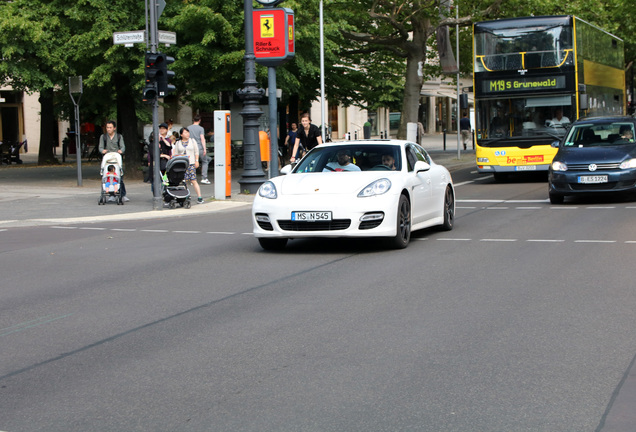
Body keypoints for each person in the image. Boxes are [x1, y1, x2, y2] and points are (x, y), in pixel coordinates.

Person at [98, 120, 128, 201]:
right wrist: (102, 150)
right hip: (108, 158)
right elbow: (100, 147)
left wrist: (121, 150)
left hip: (116, 157)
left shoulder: (119, 136)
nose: (108, 129)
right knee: (108, 176)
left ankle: (122, 194)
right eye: (107, 127)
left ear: (114, 128)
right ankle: (112, 195)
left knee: (119, 176)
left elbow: (123, 147)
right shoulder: (103, 137)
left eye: (110, 127)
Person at [172, 127, 203, 204]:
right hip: (182, 164)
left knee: (193, 180)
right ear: (181, 134)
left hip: (191, 163)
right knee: (184, 181)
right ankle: (186, 195)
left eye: (188, 132)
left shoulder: (192, 141)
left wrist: (196, 161)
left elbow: (196, 152)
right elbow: (176, 154)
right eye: (185, 132)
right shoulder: (178, 143)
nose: (187, 134)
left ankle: (199, 197)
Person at [188, 114, 211, 184]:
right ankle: (204, 177)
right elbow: (202, 139)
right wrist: (204, 149)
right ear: (200, 120)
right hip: (199, 147)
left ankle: (192, 179)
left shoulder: (188, 128)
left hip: (191, 147)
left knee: (192, 162)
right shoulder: (201, 129)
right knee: (205, 161)